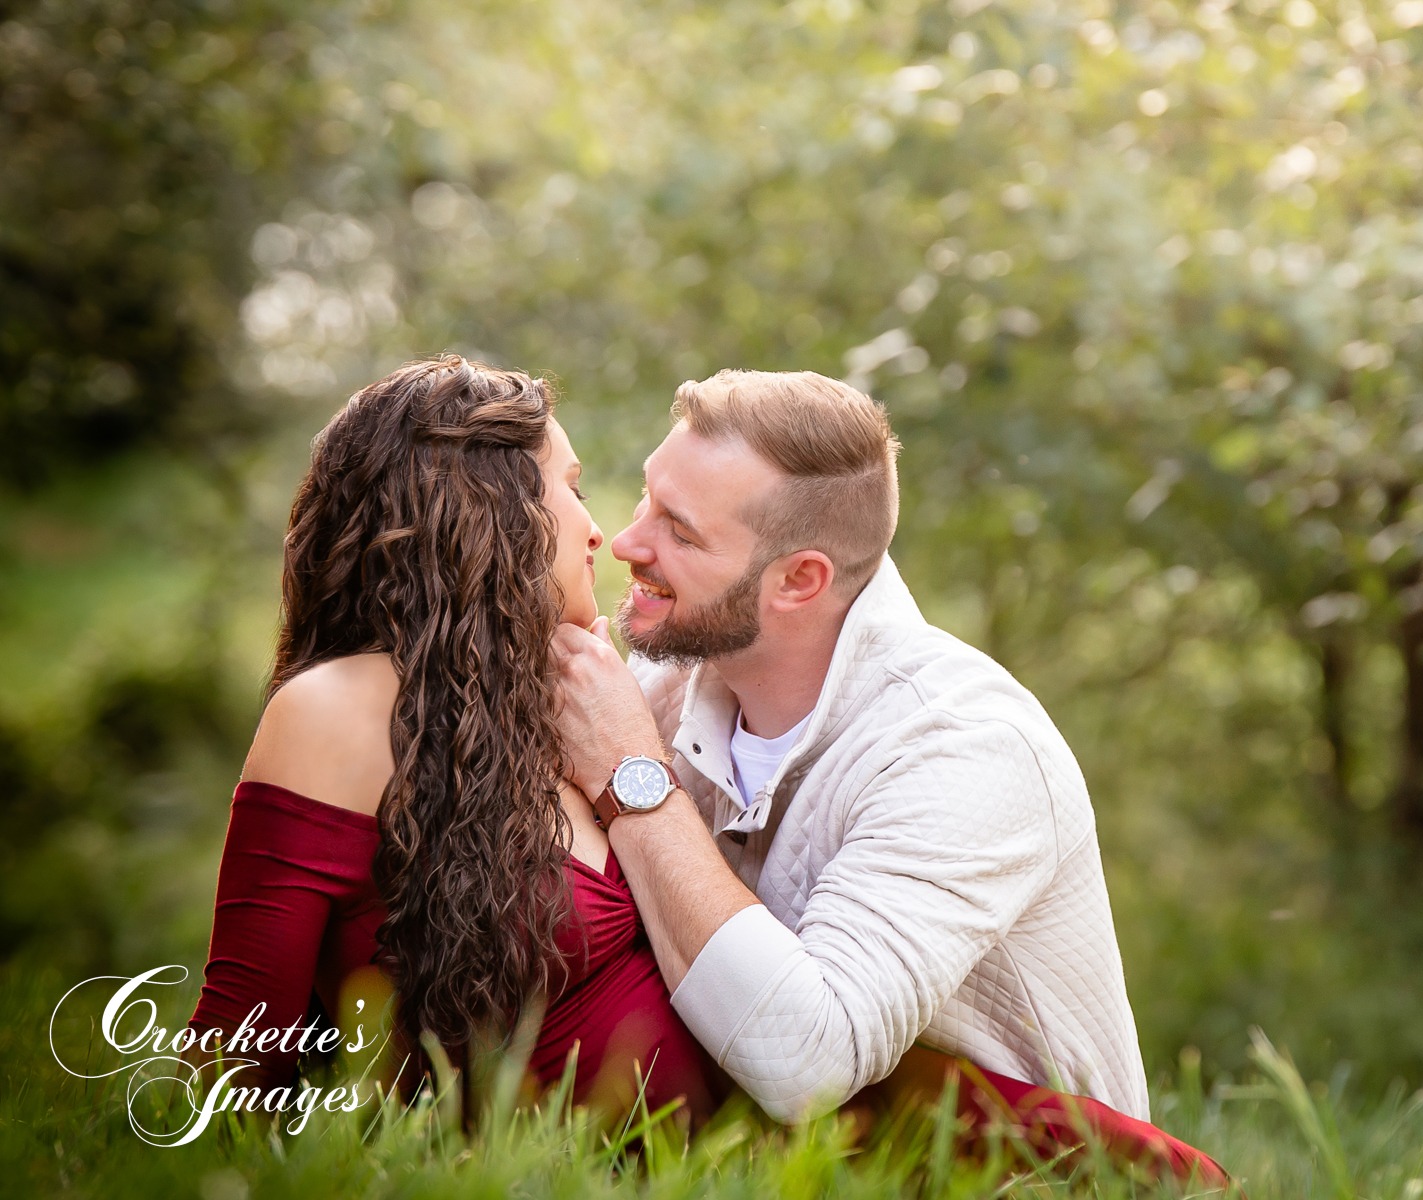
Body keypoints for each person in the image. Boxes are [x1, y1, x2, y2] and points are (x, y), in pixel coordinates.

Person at [550, 369, 1231, 1185]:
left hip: (1025, 1174)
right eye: (645, 501)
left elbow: (806, 1062)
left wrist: (635, 779)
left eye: (681, 533)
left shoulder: (968, 745)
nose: (628, 544)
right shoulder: (662, 693)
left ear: (800, 580)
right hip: (798, 1167)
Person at [188, 356, 721, 1120]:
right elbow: (235, 1061)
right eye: (571, 489)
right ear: (490, 508)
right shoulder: (332, 713)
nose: (598, 529)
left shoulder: (569, 703)